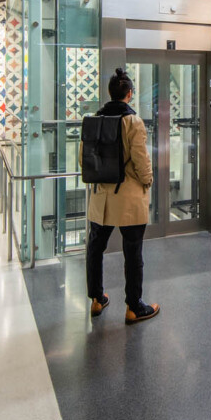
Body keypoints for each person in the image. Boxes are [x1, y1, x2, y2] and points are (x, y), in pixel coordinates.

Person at [84, 68, 160, 324]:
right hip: (128, 196)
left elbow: (83, 157)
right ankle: (134, 306)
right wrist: (148, 180)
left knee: (96, 247)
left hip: (100, 197)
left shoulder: (94, 119)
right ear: (129, 94)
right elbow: (140, 158)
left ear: (110, 93)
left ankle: (97, 298)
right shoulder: (132, 122)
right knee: (133, 251)